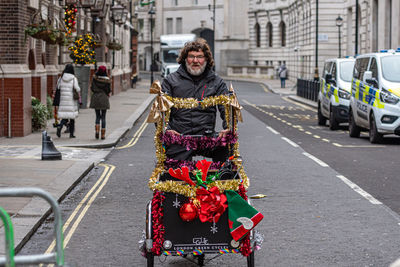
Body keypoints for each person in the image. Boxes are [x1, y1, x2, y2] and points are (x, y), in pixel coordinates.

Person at [161, 38, 229, 162]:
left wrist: (227, 128)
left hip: (207, 137)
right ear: (185, 59)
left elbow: (227, 108)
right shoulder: (170, 81)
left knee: (227, 152)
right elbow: (161, 110)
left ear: (206, 59)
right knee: (176, 175)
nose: (195, 61)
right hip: (180, 138)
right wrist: (167, 129)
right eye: (191, 56)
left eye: (200, 57)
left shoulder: (216, 81)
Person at [56, 64, 81, 138]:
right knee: (72, 117)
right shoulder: (73, 78)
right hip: (71, 100)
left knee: (65, 116)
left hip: (63, 99)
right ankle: (71, 134)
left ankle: (60, 126)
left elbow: (58, 86)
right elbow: (77, 88)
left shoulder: (61, 78)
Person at [89, 65, 111, 140]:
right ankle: (103, 135)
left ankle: (97, 131)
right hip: (104, 98)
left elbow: (92, 88)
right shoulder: (107, 80)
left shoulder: (94, 78)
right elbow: (108, 90)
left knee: (97, 116)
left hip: (96, 98)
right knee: (103, 117)